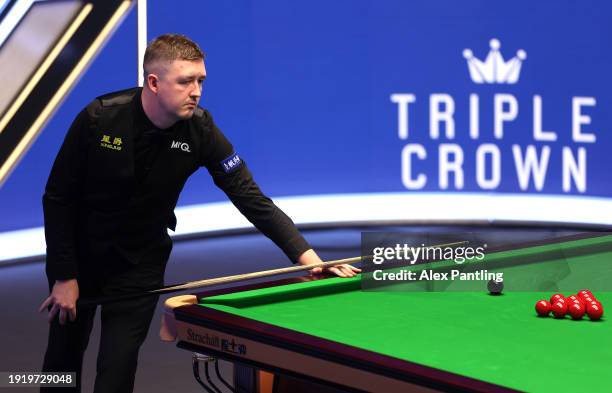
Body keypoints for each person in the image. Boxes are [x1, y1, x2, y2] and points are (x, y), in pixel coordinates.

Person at [39, 34, 360, 393]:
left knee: (116, 371)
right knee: (59, 367)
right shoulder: (99, 118)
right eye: (185, 81)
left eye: (200, 81)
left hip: (139, 264)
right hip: (80, 259)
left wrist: (309, 260)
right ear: (154, 83)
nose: (196, 91)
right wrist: (65, 277)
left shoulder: (201, 130)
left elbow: (250, 197)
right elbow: (57, 198)